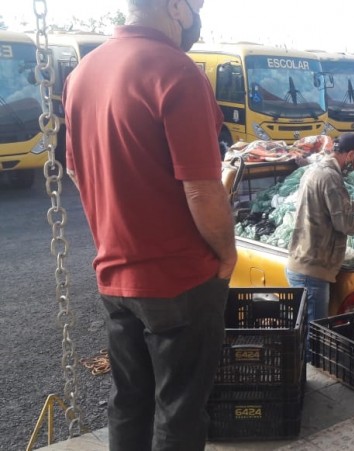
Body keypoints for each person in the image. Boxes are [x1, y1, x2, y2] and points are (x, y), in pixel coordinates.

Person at [63, 1, 236, 449]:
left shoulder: (82, 73)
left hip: (115, 279)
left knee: (129, 402)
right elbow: (202, 189)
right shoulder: (176, 70)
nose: (197, 16)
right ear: (176, 7)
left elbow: (76, 170)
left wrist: (112, 230)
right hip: (179, 281)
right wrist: (227, 255)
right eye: (195, 6)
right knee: (179, 411)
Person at [286, 133, 354, 323]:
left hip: (303, 265)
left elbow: (324, 206)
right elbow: (344, 224)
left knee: (308, 332)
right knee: (314, 338)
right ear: (350, 155)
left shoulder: (316, 170)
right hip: (312, 271)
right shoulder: (331, 178)